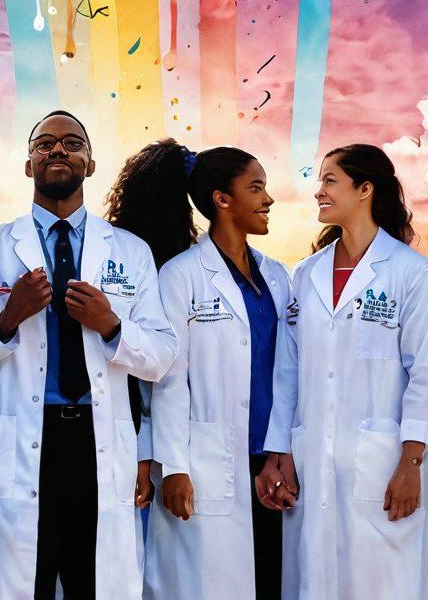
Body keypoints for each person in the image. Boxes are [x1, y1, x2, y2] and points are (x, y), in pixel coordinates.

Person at [0, 110, 178, 600]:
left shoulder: (130, 252)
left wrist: (111, 325)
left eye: (72, 143)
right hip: (24, 438)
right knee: (24, 579)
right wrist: (9, 316)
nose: (57, 150)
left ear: (90, 164)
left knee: (91, 578)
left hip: (96, 439)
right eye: (44, 143)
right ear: (28, 164)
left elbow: (160, 355)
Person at [256, 144, 428, 599]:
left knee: (383, 583)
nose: (318, 191)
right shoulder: (307, 274)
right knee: (315, 578)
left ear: (365, 189)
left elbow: (426, 374)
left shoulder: (412, 273)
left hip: (383, 461)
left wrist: (411, 461)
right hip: (313, 458)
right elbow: (288, 370)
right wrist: (279, 450)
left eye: (329, 180)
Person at [106, 140, 292, 600]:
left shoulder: (277, 276)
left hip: (269, 459)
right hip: (206, 459)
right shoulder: (180, 275)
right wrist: (174, 466)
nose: (268, 199)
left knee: (271, 578)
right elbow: (169, 379)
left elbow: (287, 372)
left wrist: (281, 448)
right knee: (205, 583)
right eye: (256, 188)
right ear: (222, 199)